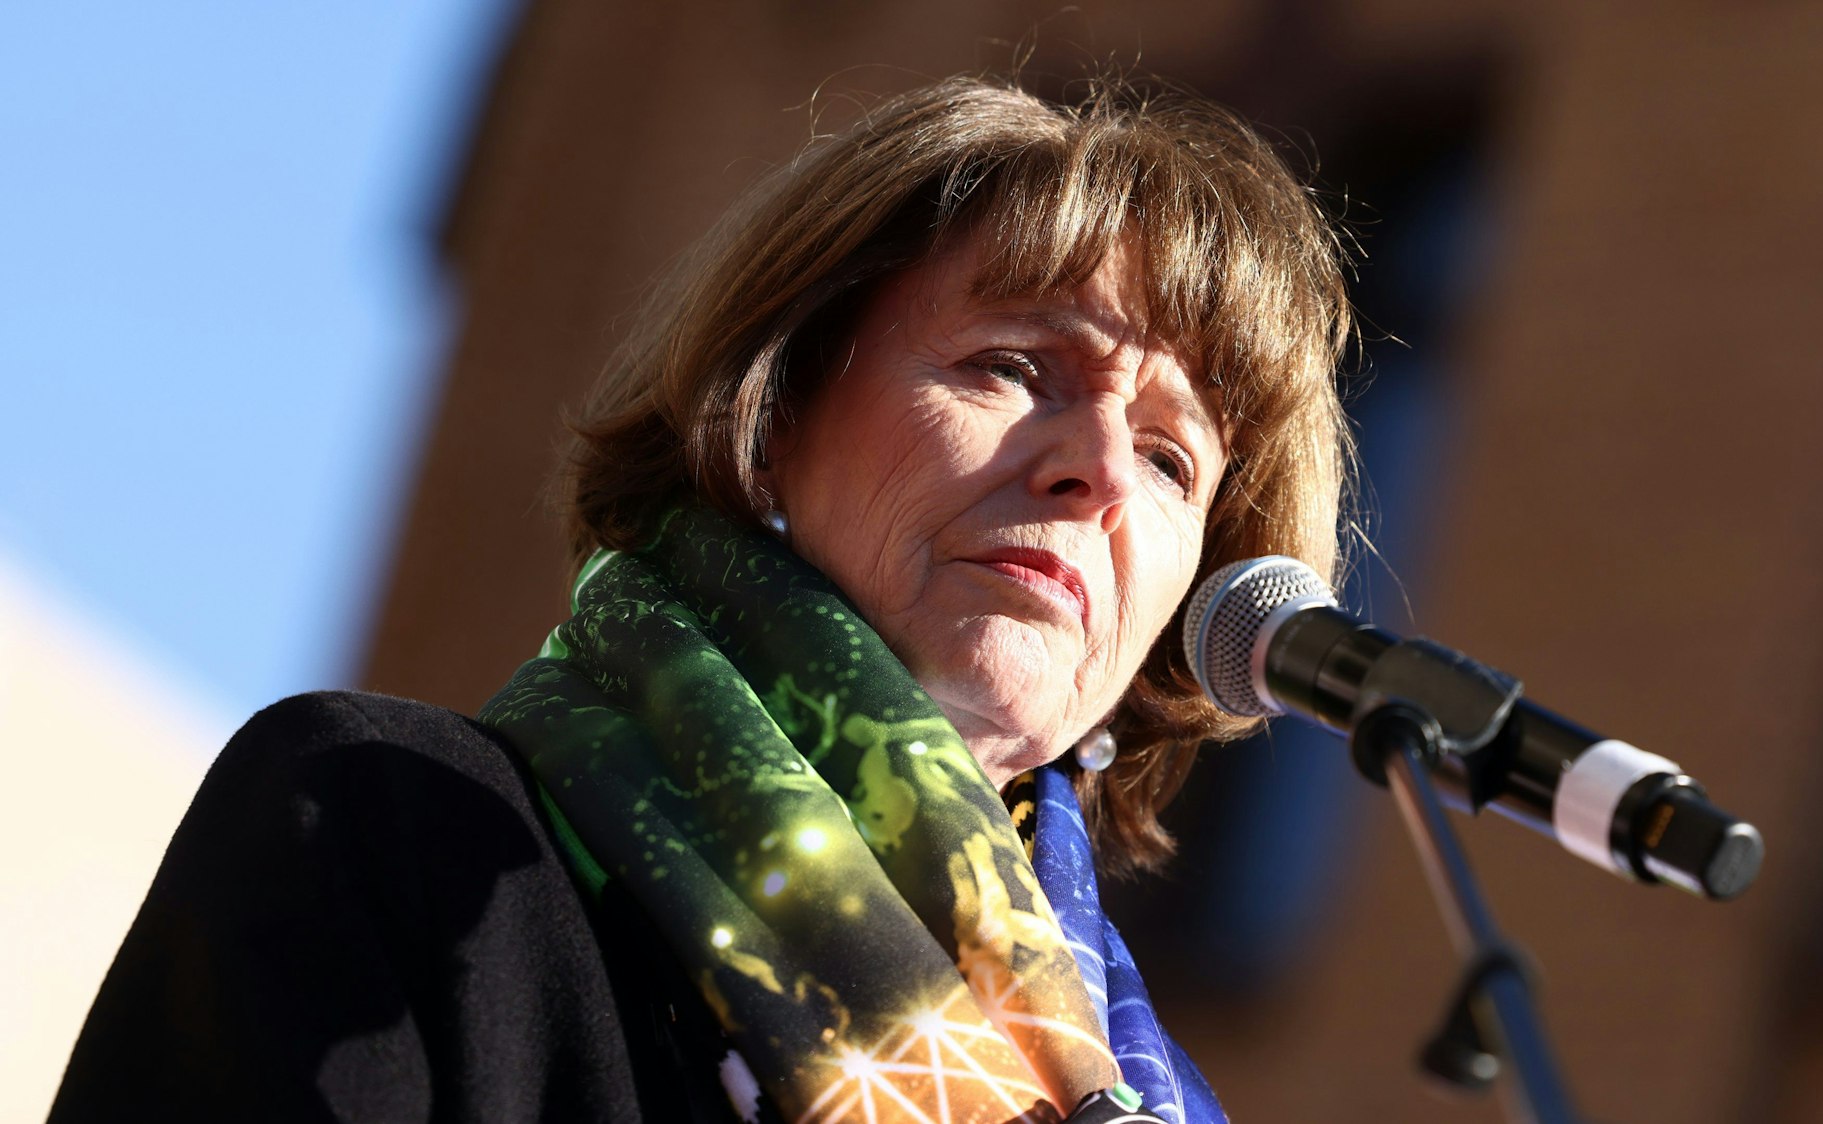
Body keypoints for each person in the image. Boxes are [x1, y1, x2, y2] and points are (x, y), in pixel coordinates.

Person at [51, 73, 1353, 1123]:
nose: (1100, 472)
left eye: (1176, 458)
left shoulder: (1154, 1098)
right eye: (1014, 366)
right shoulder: (391, 829)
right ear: (774, 409)